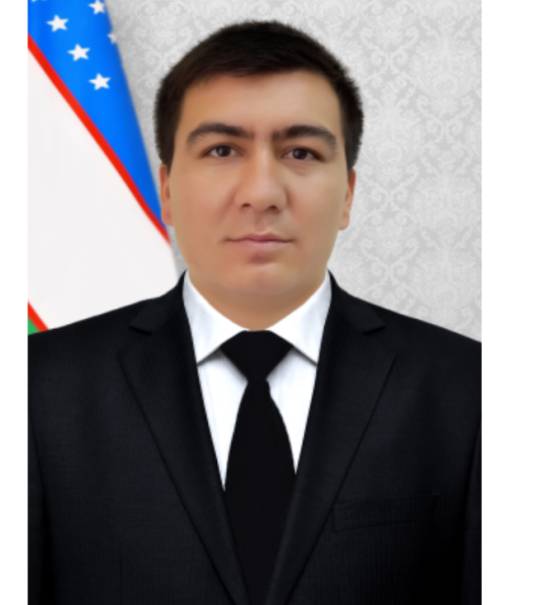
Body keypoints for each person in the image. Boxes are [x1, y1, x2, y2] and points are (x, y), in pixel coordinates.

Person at [29, 20, 480, 605]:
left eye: (300, 152)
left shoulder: (467, 389)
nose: (262, 192)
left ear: (347, 193)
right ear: (166, 191)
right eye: (222, 150)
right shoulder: (38, 387)